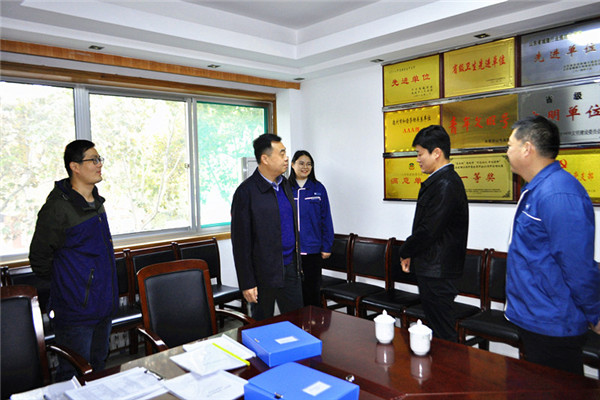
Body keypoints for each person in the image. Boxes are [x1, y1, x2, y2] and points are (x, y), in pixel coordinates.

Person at [505, 115, 600, 375]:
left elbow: (576, 265)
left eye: (510, 145)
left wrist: (595, 313)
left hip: (553, 322)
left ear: (527, 148)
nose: (507, 152)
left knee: (558, 389)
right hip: (535, 315)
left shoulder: (559, 193)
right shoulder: (537, 188)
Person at [29, 140, 118, 381]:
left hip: (102, 306)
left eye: (100, 159)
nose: (99, 165)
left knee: (98, 367)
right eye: (93, 160)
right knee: (73, 373)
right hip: (76, 311)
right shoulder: (58, 208)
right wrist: (69, 284)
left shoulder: (96, 203)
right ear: (75, 167)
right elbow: (39, 258)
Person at [398, 125, 469, 342]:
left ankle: (452, 366)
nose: (417, 159)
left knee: (443, 334)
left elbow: (428, 230)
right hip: (432, 267)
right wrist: (411, 252)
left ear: (436, 153)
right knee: (438, 330)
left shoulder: (446, 184)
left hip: (438, 272)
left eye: (420, 154)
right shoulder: (440, 181)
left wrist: (405, 250)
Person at [231, 133, 303, 320]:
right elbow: (240, 243)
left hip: (290, 268)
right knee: (262, 325)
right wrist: (247, 282)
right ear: (265, 159)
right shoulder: (246, 192)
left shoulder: (285, 185)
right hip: (263, 274)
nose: (286, 158)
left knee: (296, 320)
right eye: (281, 153)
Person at [289, 150, 334, 307]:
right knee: (293, 294)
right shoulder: (285, 188)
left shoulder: (318, 188)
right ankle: (295, 322)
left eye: (309, 164)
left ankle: (313, 322)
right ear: (292, 164)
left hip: (313, 250)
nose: (305, 167)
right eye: (301, 163)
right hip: (290, 251)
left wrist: (327, 246)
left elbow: (326, 219)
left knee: (312, 292)